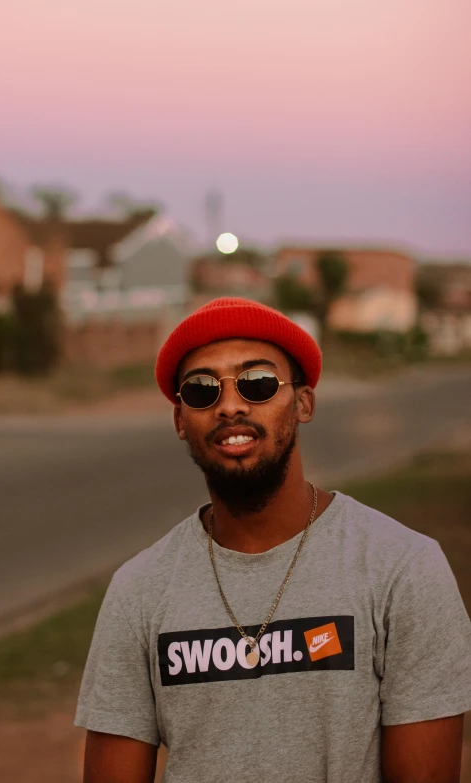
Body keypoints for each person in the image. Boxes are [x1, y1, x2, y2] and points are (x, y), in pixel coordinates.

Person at [75, 297, 471, 783]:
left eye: (257, 383)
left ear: (302, 403)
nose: (230, 405)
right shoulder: (138, 590)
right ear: (181, 421)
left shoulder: (403, 569)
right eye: (201, 390)